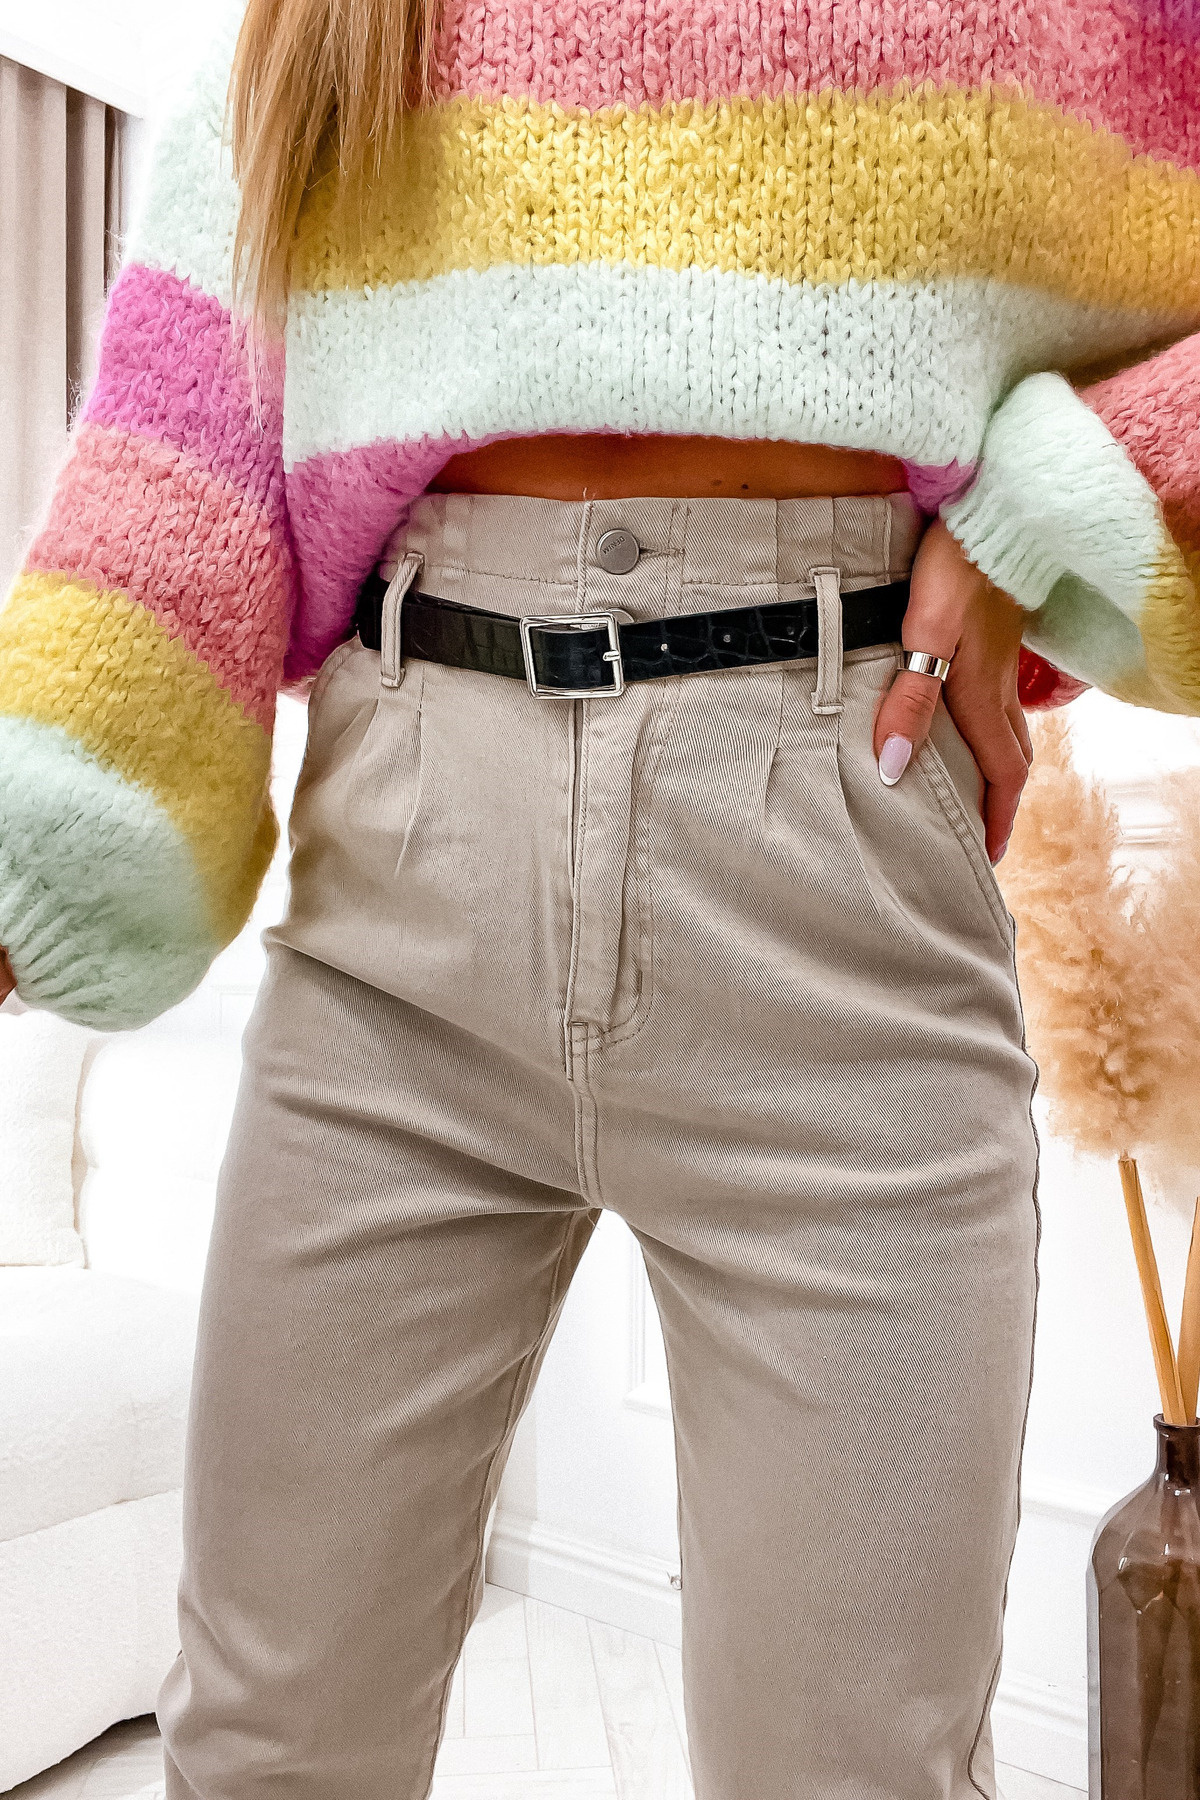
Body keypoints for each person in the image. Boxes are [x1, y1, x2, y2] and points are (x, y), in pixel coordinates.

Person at [2, 0, 1198, 1793]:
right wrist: (39, 852)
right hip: (398, 927)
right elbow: (181, 456)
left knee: (849, 1768)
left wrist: (1061, 499)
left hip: (839, 902)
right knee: (268, 1745)